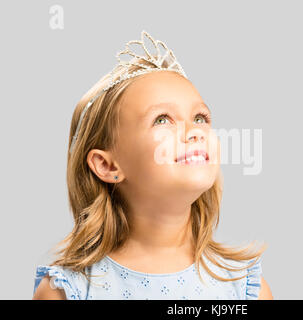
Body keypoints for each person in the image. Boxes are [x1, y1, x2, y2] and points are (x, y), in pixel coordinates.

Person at [32, 30, 273, 300]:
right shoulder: (66, 291)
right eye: (162, 119)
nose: (194, 131)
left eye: (200, 117)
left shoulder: (244, 288)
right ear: (107, 166)